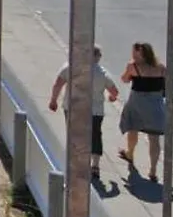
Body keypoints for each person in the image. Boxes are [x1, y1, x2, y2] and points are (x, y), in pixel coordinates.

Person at [48, 45, 120, 178]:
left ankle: (75, 162)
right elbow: (114, 91)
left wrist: (53, 100)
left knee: (74, 134)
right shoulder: (102, 73)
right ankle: (95, 166)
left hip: (73, 107)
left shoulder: (70, 67)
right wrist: (112, 97)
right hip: (95, 111)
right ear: (97, 57)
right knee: (95, 136)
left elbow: (58, 84)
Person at [118, 42, 168, 182]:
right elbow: (167, 84)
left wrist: (131, 70)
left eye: (135, 53)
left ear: (142, 54)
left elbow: (124, 79)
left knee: (133, 129)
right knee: (154, 138)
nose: (133, 55)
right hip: (155, 104)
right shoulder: (161, 68)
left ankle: (130, 153)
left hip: (137, 103)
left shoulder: (133, 66)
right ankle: (153, 170)